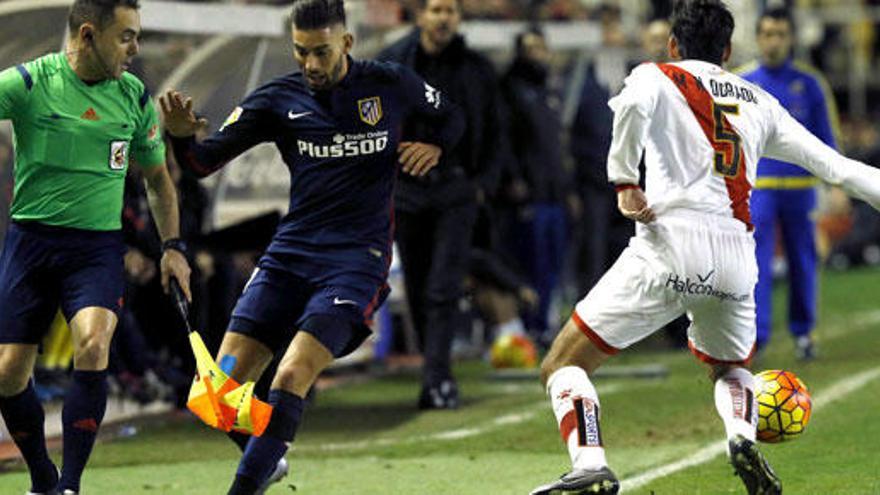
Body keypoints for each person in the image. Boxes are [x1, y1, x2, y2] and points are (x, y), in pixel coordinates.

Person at [530, 1, 880, 494]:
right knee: (730, 368)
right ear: (729, 51)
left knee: (563, 364)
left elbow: (630, 105)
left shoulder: (656, 75)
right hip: (737, 259)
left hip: (669, 245)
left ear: (674, 45)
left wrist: (624, 179)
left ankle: (590, 464)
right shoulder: (760, 101)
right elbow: (838, 169)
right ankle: (740, 435)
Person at [159, 1, 464, 493]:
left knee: (292, 372)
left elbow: (451, 116)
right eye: (302, 53)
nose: (312, 65)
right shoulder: (277, 99)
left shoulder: (390, 84)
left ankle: (246, 483)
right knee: (216, 395)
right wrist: (179, 138)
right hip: (290, 255)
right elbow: (201, 163)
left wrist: (437, 146)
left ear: (346, 43)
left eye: (322, 52)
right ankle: (268, 454)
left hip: (355, 262)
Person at [0, 1, 192, 494]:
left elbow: (158, 181)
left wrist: (173, 246)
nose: (135, 49)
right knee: (6, 375)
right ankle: (43, 476)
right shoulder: (29, 83)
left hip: (96, 250)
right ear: (89, 34)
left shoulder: (133, 96)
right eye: (126, 37)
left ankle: (70, 484)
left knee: (93, 342)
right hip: (30, 244)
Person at [377, 0, 503, 409]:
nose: (443, 17)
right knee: (416, 285)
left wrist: (482, 184)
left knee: (443, 286)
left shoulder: (478, 70)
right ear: (420, 17)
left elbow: (497, 130)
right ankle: (433, 370)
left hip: (456, 190)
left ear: (459, 18)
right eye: (436, 9)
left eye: (450, 10)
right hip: (407, 191)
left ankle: (437, 378)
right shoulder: (392, 63)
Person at [738, 7, 840, 359]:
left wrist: (837, 186)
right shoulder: (741, 83)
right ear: (758, 37)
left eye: (780, 34)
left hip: (801, 190)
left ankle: (803, 333)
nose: (774, 41)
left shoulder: (810, 84)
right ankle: (756, 336)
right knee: (755, 264)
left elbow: (828, 138)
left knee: (803, 260)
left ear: (791, 38)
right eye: (767, 33)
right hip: (759, 190)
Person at [498, 27, 576, 343]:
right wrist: (514, 179)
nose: (537, 54)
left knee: (554, 264)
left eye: (541, 47)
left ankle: (545, 323)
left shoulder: (548, 92)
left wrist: (568, 188)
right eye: (530, 48)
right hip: (529, 195)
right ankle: (530, 325)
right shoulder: (510, 90)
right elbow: (504, 140)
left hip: (554, 193)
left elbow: (557, 146)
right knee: (532, 264)